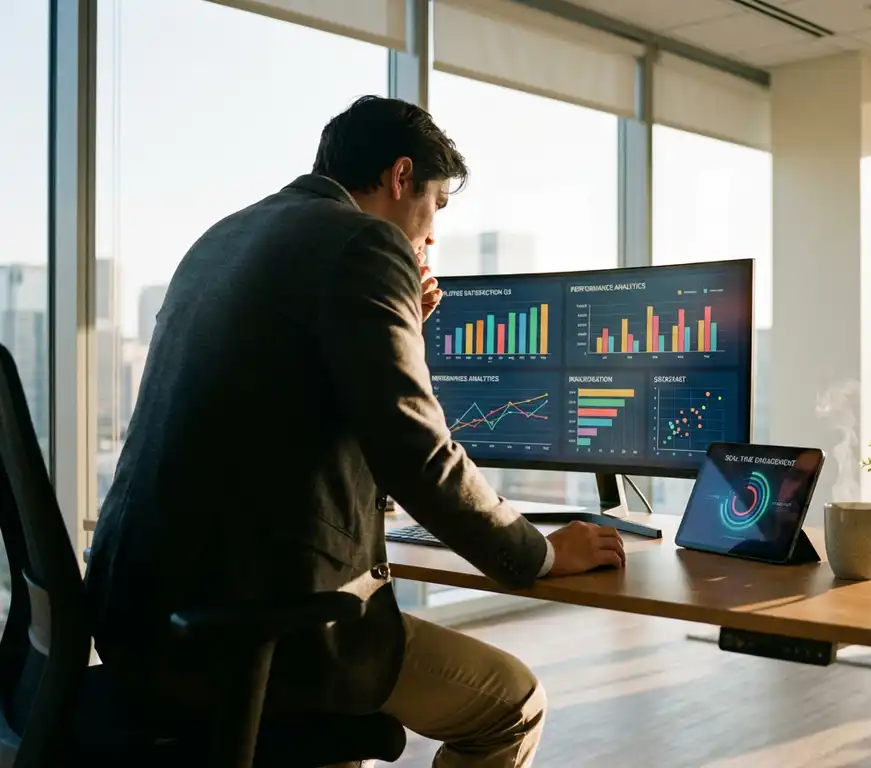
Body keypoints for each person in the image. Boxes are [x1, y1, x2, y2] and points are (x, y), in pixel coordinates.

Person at [83, 95, 626, 767]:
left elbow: (291, 412)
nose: (432, 236)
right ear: (401, 177)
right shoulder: (365, 243)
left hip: (137, 613)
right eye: (437, 205)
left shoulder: (222, 238)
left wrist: (402, 325)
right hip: (257, 628)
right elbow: (415, 452)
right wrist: (538, 555)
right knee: (512, 705)